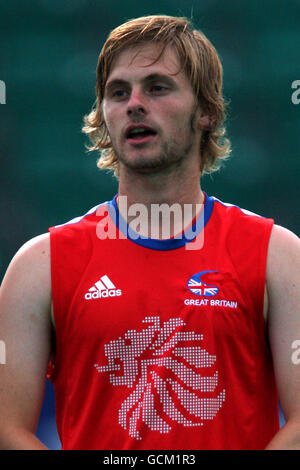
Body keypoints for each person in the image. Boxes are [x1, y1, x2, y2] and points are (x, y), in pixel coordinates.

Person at [0, 15, 299, 451]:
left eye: (157, 87)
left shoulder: (278, 255)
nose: (134, 104)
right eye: (118, 92)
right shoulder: (39, 265)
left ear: (206, 111)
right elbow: (8, 430)